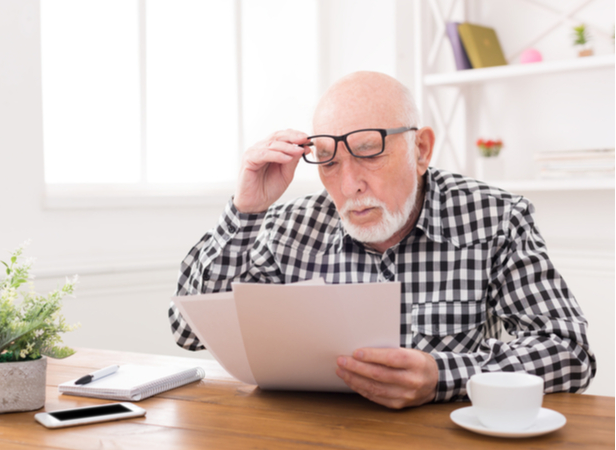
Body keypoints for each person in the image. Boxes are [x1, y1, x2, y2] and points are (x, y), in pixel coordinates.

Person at [168, 71, 595, 409]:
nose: (350, 183)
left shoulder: (495, 218)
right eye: (329, 161)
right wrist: (246, 211)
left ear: (421, 150)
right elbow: (187, 330)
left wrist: (444, 376)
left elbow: (570, 352)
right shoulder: (286, 226)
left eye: (369, 151)